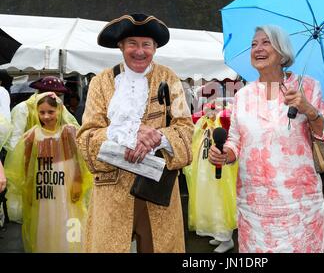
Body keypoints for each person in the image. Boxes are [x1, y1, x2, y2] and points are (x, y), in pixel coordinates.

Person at [208, 25, 324, 253]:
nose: (258, 48)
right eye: (254, 44)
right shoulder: (243, 95)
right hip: (254, 208)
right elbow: (235, 141)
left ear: (282, 51)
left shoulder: (307, 86)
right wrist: (223, 154)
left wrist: (308, 109)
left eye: (266, 42)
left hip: (299, 207)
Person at [76, 13, 194, 253]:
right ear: (120, 46)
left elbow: (185, 130)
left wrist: (157, 138)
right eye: (132, 43)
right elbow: (86, 138)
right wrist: (129, 135)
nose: (139, 51)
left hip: (156, 192)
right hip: (112, 191)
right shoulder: (101, 83)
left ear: (155, 48)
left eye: (146, 45)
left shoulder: (169, 79)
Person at [4, 92, 92, 252]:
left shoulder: (67, 132)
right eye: (42, 112)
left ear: (59, 110)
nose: (46, 116)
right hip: (43, 188)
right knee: (45, 220)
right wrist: (28, 186)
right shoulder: (32, 134)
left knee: (68, 217)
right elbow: (26, 164)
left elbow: (78, 160)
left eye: (51, 112)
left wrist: (78, 181)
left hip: (64, 185)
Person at [184, 101, 238, 253]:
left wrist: (219, 111)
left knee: (220, 201)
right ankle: (218, 234)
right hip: (205, 171)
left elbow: (228, 121)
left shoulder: (225, 119)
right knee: (209, 201)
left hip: (221, 170)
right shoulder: (204, 121)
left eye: (212, 109)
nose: (209, 112)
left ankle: (226, 238)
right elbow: (192, 119)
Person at [4, 76, 78, 152]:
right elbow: (14, 140)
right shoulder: (23, 108)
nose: (54, 98)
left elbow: (74, 130)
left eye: (58, 95)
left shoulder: (59, 107)